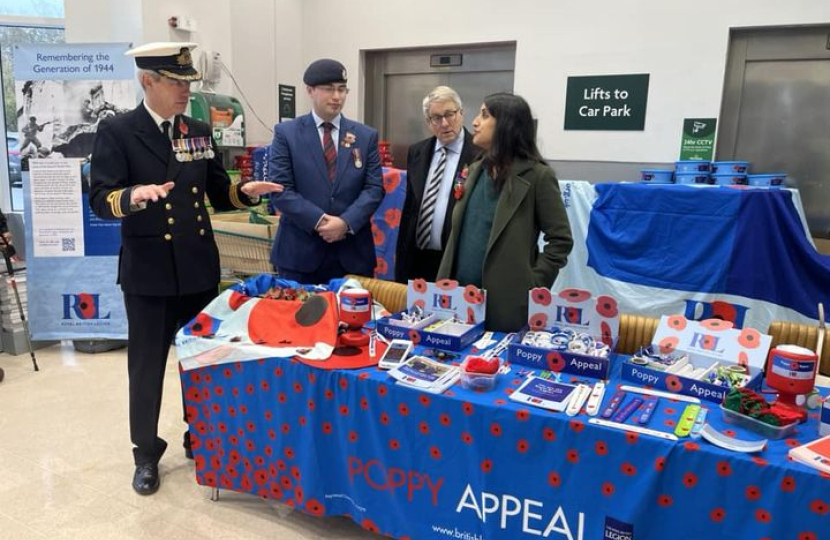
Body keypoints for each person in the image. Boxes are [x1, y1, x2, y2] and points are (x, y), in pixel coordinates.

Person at [89, 42, 282, 496]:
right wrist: (133, 197)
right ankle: (145, 452)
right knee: (147, 367)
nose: (184, 91)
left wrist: (246, 191)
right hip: (149, 272)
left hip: (196, 267)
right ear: (147, 81)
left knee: (200, 363)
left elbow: (217, 192)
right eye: (176, 83)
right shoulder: (118, 130)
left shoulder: (195, 130)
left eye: (188, 83)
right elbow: (100, 197)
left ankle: (202, 436)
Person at [437, 93, 573, 332]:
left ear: (507, 124)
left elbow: (560, 240)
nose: (475, 122)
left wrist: (533, 283)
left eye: (485, 115)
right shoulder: (475, 170)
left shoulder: (537, 176)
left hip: (506, 303)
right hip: (459, 299)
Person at [268, 58, 384, 284]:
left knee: (351, 318)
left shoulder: (365, 136)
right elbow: (281, 190)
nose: (337, 96)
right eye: (329, 89)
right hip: (300, 255)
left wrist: (345, 223)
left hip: (352, 254)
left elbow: (374, 188)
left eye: (342, 89)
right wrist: (320, 221)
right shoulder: (287, 134)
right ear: (310, 90)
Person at [394, 86, 480, 283]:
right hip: (418, 258)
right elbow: (410, 208)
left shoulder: (479, 154)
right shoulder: (417, 152)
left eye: (450, 114)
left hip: (456, 259)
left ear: (461, 113)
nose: (444, 123)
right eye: (436, 118)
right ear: (428, 122)